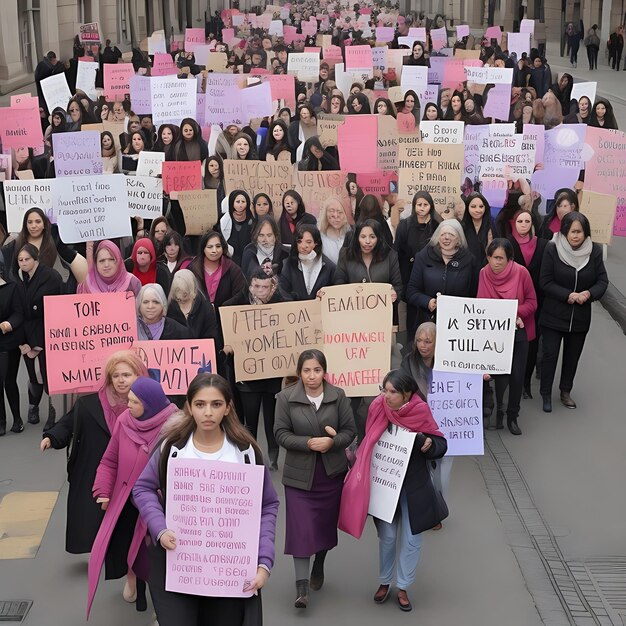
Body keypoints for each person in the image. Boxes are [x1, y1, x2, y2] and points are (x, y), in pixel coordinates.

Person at [132, 373, 278, 626]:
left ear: (228, 407)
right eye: (200, 404)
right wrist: (160, 528)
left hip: (228, 574)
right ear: (189, 407)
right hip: (176, 566)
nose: (207, 412)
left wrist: (264, 563)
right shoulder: (172, 447)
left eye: (216, 404)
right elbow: (143, 488)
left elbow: (267, 505)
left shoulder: (245, 453)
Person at [337, 369, 447, 612]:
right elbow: (367, 440)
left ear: (407, 394)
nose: (385, 396)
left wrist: (428, 444)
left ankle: (404, 586)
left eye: (392, 392)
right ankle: (384, 581)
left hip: (413, 487)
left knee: (412, 537)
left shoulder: (421, 411)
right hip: (384, 485)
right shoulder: (377, 408)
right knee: (386, 536)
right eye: (384, 390)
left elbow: (441, 444)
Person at [87, 377, 179, 617]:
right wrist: (102, 490)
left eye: (134, 401)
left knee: (160, 560)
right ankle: (132, 580)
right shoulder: (124, 422)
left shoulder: (177, 428)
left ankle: (165, 607)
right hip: (127, 502)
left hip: (161, 507)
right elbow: (110, 460)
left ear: (149, 404)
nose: (128, 406)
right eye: (128, 400)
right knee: (132, 550)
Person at [41, 351, 149, 555]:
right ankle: (101, 550)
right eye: (116, 376)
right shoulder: (90, 403)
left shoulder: (149, 404)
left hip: (135, 469)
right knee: (97, 511)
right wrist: (52, 437)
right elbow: (69, 421)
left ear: (138, 375)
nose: (120, 380)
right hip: (98, 465)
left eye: (126, 375)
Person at [274, 349, 356, 609]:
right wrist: (308, 443)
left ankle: (319, 562)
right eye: (307, 371)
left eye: (317, 370)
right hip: (299, 476)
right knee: (301, 529)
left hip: (330, 475)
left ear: (324, 371)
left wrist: (331, 442)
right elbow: (280, 433)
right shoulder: (285, 398)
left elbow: (350, 431)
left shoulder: (338, 396)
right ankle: (301, 588)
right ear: (299, 373)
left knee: (322, 527)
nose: (312, 376)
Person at [539, 213, 608, 412]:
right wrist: (567, 295)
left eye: (579, 232)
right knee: (550, 355)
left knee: (572, 356)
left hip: (579, 318)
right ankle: (545, 393)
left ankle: (565, 391)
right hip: (553, 315)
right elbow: (545, 282)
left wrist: (589, 293)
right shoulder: (552, 249)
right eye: (572, 231)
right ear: (564, 232)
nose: (575, 236)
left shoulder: (594, 251)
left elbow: (602, 281)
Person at [224, 270, 288, 469]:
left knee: (271, 420)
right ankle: (250, 456)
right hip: (248, 376)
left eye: (265, 287)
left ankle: (273, 457)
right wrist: (228, 344)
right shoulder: (237, 303)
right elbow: (225, 313)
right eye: (257, 286)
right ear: (250, 286)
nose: (261, 290)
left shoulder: (282, 304)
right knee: (250, 419)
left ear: (273, 287)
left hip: (271, 375)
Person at [478, 239, 537, 435]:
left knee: (517, 376)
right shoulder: (483, 274)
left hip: (518, 331)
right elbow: (480, 303)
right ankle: (498, 413)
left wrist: (515, 313)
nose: (495, 262)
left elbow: (532, 302)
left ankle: (513, 416)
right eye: (492, 257)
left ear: (509, 258)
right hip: (493, 334)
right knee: (498, 375)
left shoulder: (521, 273)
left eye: (500, 258)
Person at [14, 243, 63, 431]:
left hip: (47, 333)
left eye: (27, 259)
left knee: (48, 376)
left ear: (36, 259)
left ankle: (53, 413)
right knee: (34, 376)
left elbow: (57, 307)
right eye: (20, 260)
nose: (24, 263)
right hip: (26, 334)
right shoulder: (19, 278)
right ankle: (33, 406)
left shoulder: (51, 277)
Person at [506, 209, 548, 398]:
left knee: (532, 342)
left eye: (527, 221)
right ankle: (509, 382)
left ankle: (525, 384)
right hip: (513, 299)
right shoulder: (508, 244)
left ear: (532, 224)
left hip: (537, 299)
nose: (523, 224)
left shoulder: (542, 245)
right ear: (514, 223)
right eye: (520, 221)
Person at [406, 220, 478, 327]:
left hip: (458, 322)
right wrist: (427, 302)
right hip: (428, 320)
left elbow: (474, 293)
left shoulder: (469, 260)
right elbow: (411, 291)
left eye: (451, 234)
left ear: (459, 239)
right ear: (437, 237)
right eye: (443, 234)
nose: (446, 237)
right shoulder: (423, 257)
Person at [2, 207, 88, 290]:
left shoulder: (55, 240)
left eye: (38, 222)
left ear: (44, 224)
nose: (33, 226)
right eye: (30, 222)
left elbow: (75, 261)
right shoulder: (15, 244)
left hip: (52, 290)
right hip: (25, 292)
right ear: (25, 224)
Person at [394, 191, 438, 341]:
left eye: (425, 205)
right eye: (419, 205)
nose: (422, 208)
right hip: (408, 275)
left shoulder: (436, 226)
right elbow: (397, 252)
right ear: (414, 206)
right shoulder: (404, 225)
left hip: (430, 278)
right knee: (411, 318)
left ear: (430, 207)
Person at [0, 259, 24, 436]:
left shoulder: (11, 288)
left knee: (9, 381)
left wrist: (9, 323)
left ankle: (17, 419)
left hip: (8, 342)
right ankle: (1, 422)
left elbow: (18, 312)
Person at [280, 224, 336, 300]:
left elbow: (334, 294)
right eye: (299, 241)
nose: (304, 246)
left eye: (308, 242)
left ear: (316, 243)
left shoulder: (329, 267)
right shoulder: (288, 264)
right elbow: (284, 292)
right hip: (296, 310)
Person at [166, 269, 220, 343]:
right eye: (178, 291)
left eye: (186, 293)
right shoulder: (170, 309)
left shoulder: (205, 308)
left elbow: (212, 336)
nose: (183, 296)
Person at [216, 190, 256, 267]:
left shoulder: (252, 221)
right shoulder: (223, 222)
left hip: (250, 261)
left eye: (243, 202)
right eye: (238, 202)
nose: (240, 205)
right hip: (230, 261)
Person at [462, 192, 496, 268]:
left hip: (487, 268)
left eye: (481, 206)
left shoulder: (492, 223)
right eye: (473, 206)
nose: (478, 210)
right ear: (467, 208)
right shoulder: (463, 225)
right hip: (466, 268)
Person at [318, 197, 352, 265]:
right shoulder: (320, 237)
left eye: (340, 212)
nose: (336, 216)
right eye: (331, 211)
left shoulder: (351, 235)